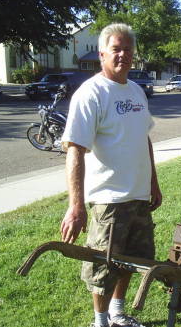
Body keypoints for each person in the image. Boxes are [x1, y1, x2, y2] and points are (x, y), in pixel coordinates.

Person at [60, 23, 162, 327]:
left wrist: (153, 183)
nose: (123, 55)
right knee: (103, 268)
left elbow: (144, 138)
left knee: (133, 261)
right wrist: (76, 205)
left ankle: (117, 314)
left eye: (127, 49)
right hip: (109, 199)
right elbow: (75, 150)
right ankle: (100, 321)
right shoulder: (91, 93)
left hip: (139, 196)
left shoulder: (135, 90)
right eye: (116, 49)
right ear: (102, 52)